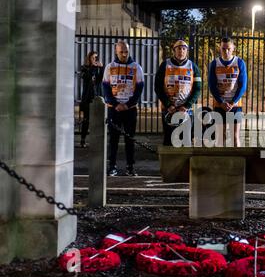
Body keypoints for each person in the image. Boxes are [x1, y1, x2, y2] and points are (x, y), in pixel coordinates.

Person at [103, 40, 144, 176]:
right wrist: (116, 105)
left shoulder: (136, 67)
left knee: (130, 139)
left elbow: (139, 89)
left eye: (126, 51)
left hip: (130, 109)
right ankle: (112, 166)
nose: (124, 54)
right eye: (121, 52)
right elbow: (105, 88)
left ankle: (130, 167)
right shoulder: (110, 67)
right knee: (113, 139)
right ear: (116, 51)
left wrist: (127, 104)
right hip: (113, 109)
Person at [154, 39, 201, 146]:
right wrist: (168, 105)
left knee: (186, 140)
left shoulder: (193, 67)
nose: (181, 51)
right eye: (179, 48)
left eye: (184, 48)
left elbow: (197, 89)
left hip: (186, 110)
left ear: (187, 51)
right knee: (169, 140)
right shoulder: (165, 65)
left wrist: (187, 105)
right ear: (174, 50)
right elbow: (158, 87)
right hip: (169, 109)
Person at [208, 37, 247, 147]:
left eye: (228, 49)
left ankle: (237, 163)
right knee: (221, 136)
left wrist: (233, 102)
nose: (226, 51)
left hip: (235, 104)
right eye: (223, 49)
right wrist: (221, 102)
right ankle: (220, 163)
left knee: (235, 136)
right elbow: (212, 85)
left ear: (233, 48)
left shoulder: (239, 62)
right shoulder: (214, 63)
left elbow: (243, 85)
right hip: (219, 104)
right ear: (220, 48)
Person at [79, 51, 103, 148]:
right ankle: (83, 140)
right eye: (93, 58)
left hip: (96, 96)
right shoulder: (84, 68)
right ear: (89, 58)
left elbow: (100, 80)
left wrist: (101, 68)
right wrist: (93, 67)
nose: (95, 60)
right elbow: (87, 77)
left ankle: (96, 140)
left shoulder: (97, 68)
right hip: (87, 98)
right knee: (86, 120)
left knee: (98, 120)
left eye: (96, 58)